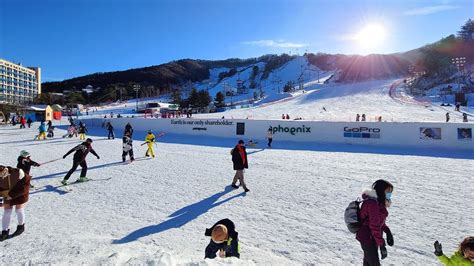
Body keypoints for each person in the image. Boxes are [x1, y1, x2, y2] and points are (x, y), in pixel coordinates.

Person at [356, 179, 394, 266]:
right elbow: (374, 226)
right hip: (368, 238)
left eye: (390, 193)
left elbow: (378, 222)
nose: (389, 195)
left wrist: (387, 231)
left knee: (368, 263)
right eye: (388, 192)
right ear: (381, 191)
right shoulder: (373, 204)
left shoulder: (378, 203)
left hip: (372, 238)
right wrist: (381, 244)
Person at [0, 166, 31, 241]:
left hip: (20, 193)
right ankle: (5, 232)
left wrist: (12, 195)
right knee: (7, 212)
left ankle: (21, 227)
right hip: (6, 194)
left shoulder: (18, 172)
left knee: (19, 210)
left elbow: (25, 185)